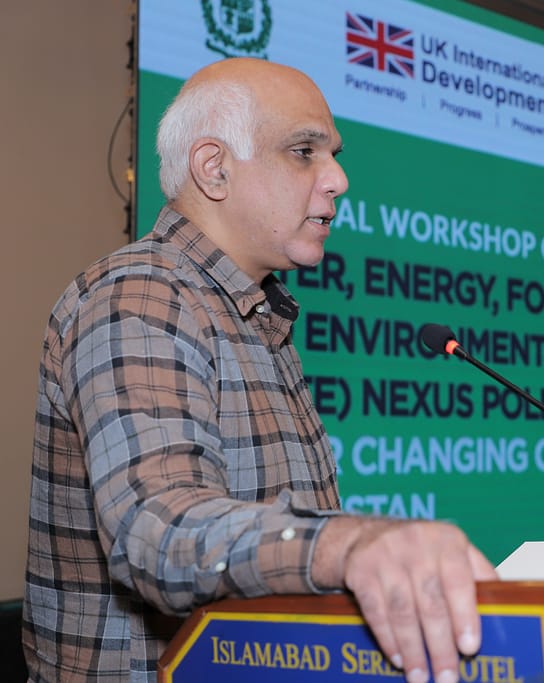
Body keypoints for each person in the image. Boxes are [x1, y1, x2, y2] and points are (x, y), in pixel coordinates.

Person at [23, 57, 497, 683]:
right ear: (213, 168)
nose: (338, 179)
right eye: (305, 151)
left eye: (333, 154)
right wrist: (350, 545)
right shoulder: (140, 295)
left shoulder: (254, 314)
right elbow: (158, 532)